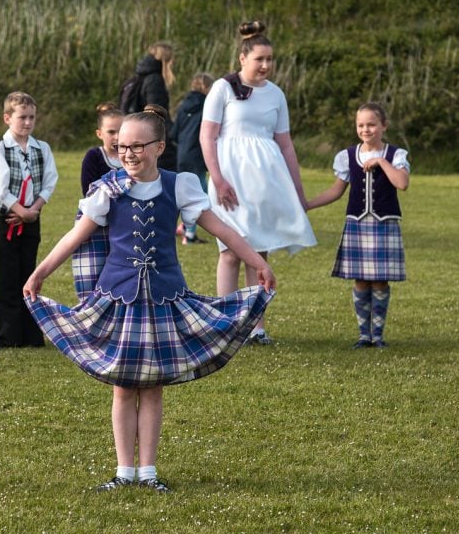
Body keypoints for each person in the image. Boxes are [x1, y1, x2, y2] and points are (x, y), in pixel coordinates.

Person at [22, 109, 276, 492]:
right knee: (123, 386)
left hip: (163, 299)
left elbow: (222, 228)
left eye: (137, 146)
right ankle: (124, 472)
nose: (128, 153)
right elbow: (75, 236)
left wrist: (257, 262)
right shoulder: (107, 189)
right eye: (122, 146)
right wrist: (40, 273)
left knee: (152, 385)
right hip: (118, 299)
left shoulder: (180, 185)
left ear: (159, 147)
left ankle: (148, 472)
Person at [200, 21, 316, 345]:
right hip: (230, 180)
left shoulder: (276, 94)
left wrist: (297, 188)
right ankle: (226, 323)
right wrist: (219, 179)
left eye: (270, 59)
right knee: (230, 251)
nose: (265, 65)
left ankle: (256, 327)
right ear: (243, 58)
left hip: (265, 181)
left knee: (258, 252)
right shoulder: (223, 89)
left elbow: (286, 144)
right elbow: (207, 136)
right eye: (259, 59)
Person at [307, 102, 410, 348]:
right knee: (361, 280)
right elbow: (336, 191)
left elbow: (402, 183)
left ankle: (378, 335)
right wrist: (308, 205)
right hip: (357, 223)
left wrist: (380, 163)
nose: (366, 129)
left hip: (384, 224)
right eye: (361, 125)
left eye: (371, 124)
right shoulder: (347, 156)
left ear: (384, 126)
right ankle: (364, 335)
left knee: (380, 281)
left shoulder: (395, 155)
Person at [0, 91, 58, 348]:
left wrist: (34, 210)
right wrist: (19, 209)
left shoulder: (42, 148)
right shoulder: (0, 149)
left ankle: (31, 336)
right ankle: (7, 337)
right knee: (7, 277)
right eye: (22, 117)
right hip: (8, 219)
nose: (27, 123)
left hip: (32, 217)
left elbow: (49, 181)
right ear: (8, 118)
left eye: (31, 118)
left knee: (29, 274)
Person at [72, 103, 123, 300]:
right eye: (111, 132)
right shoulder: (94, 157)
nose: (117, 137)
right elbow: (89, 192)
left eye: (121, 131)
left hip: (124, 227)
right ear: (99, 133)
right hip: (96, 226)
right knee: (92, 280)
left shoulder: (133, 158)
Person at [173, 72, 215, 244]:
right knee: (200, 195)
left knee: (184, 193)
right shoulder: (208, 106)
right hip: (197, 154)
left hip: (182, 154)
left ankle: (183, 227)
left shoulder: (184, 105)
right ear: (207, 88)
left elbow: (174, 132)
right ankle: (189, 234)